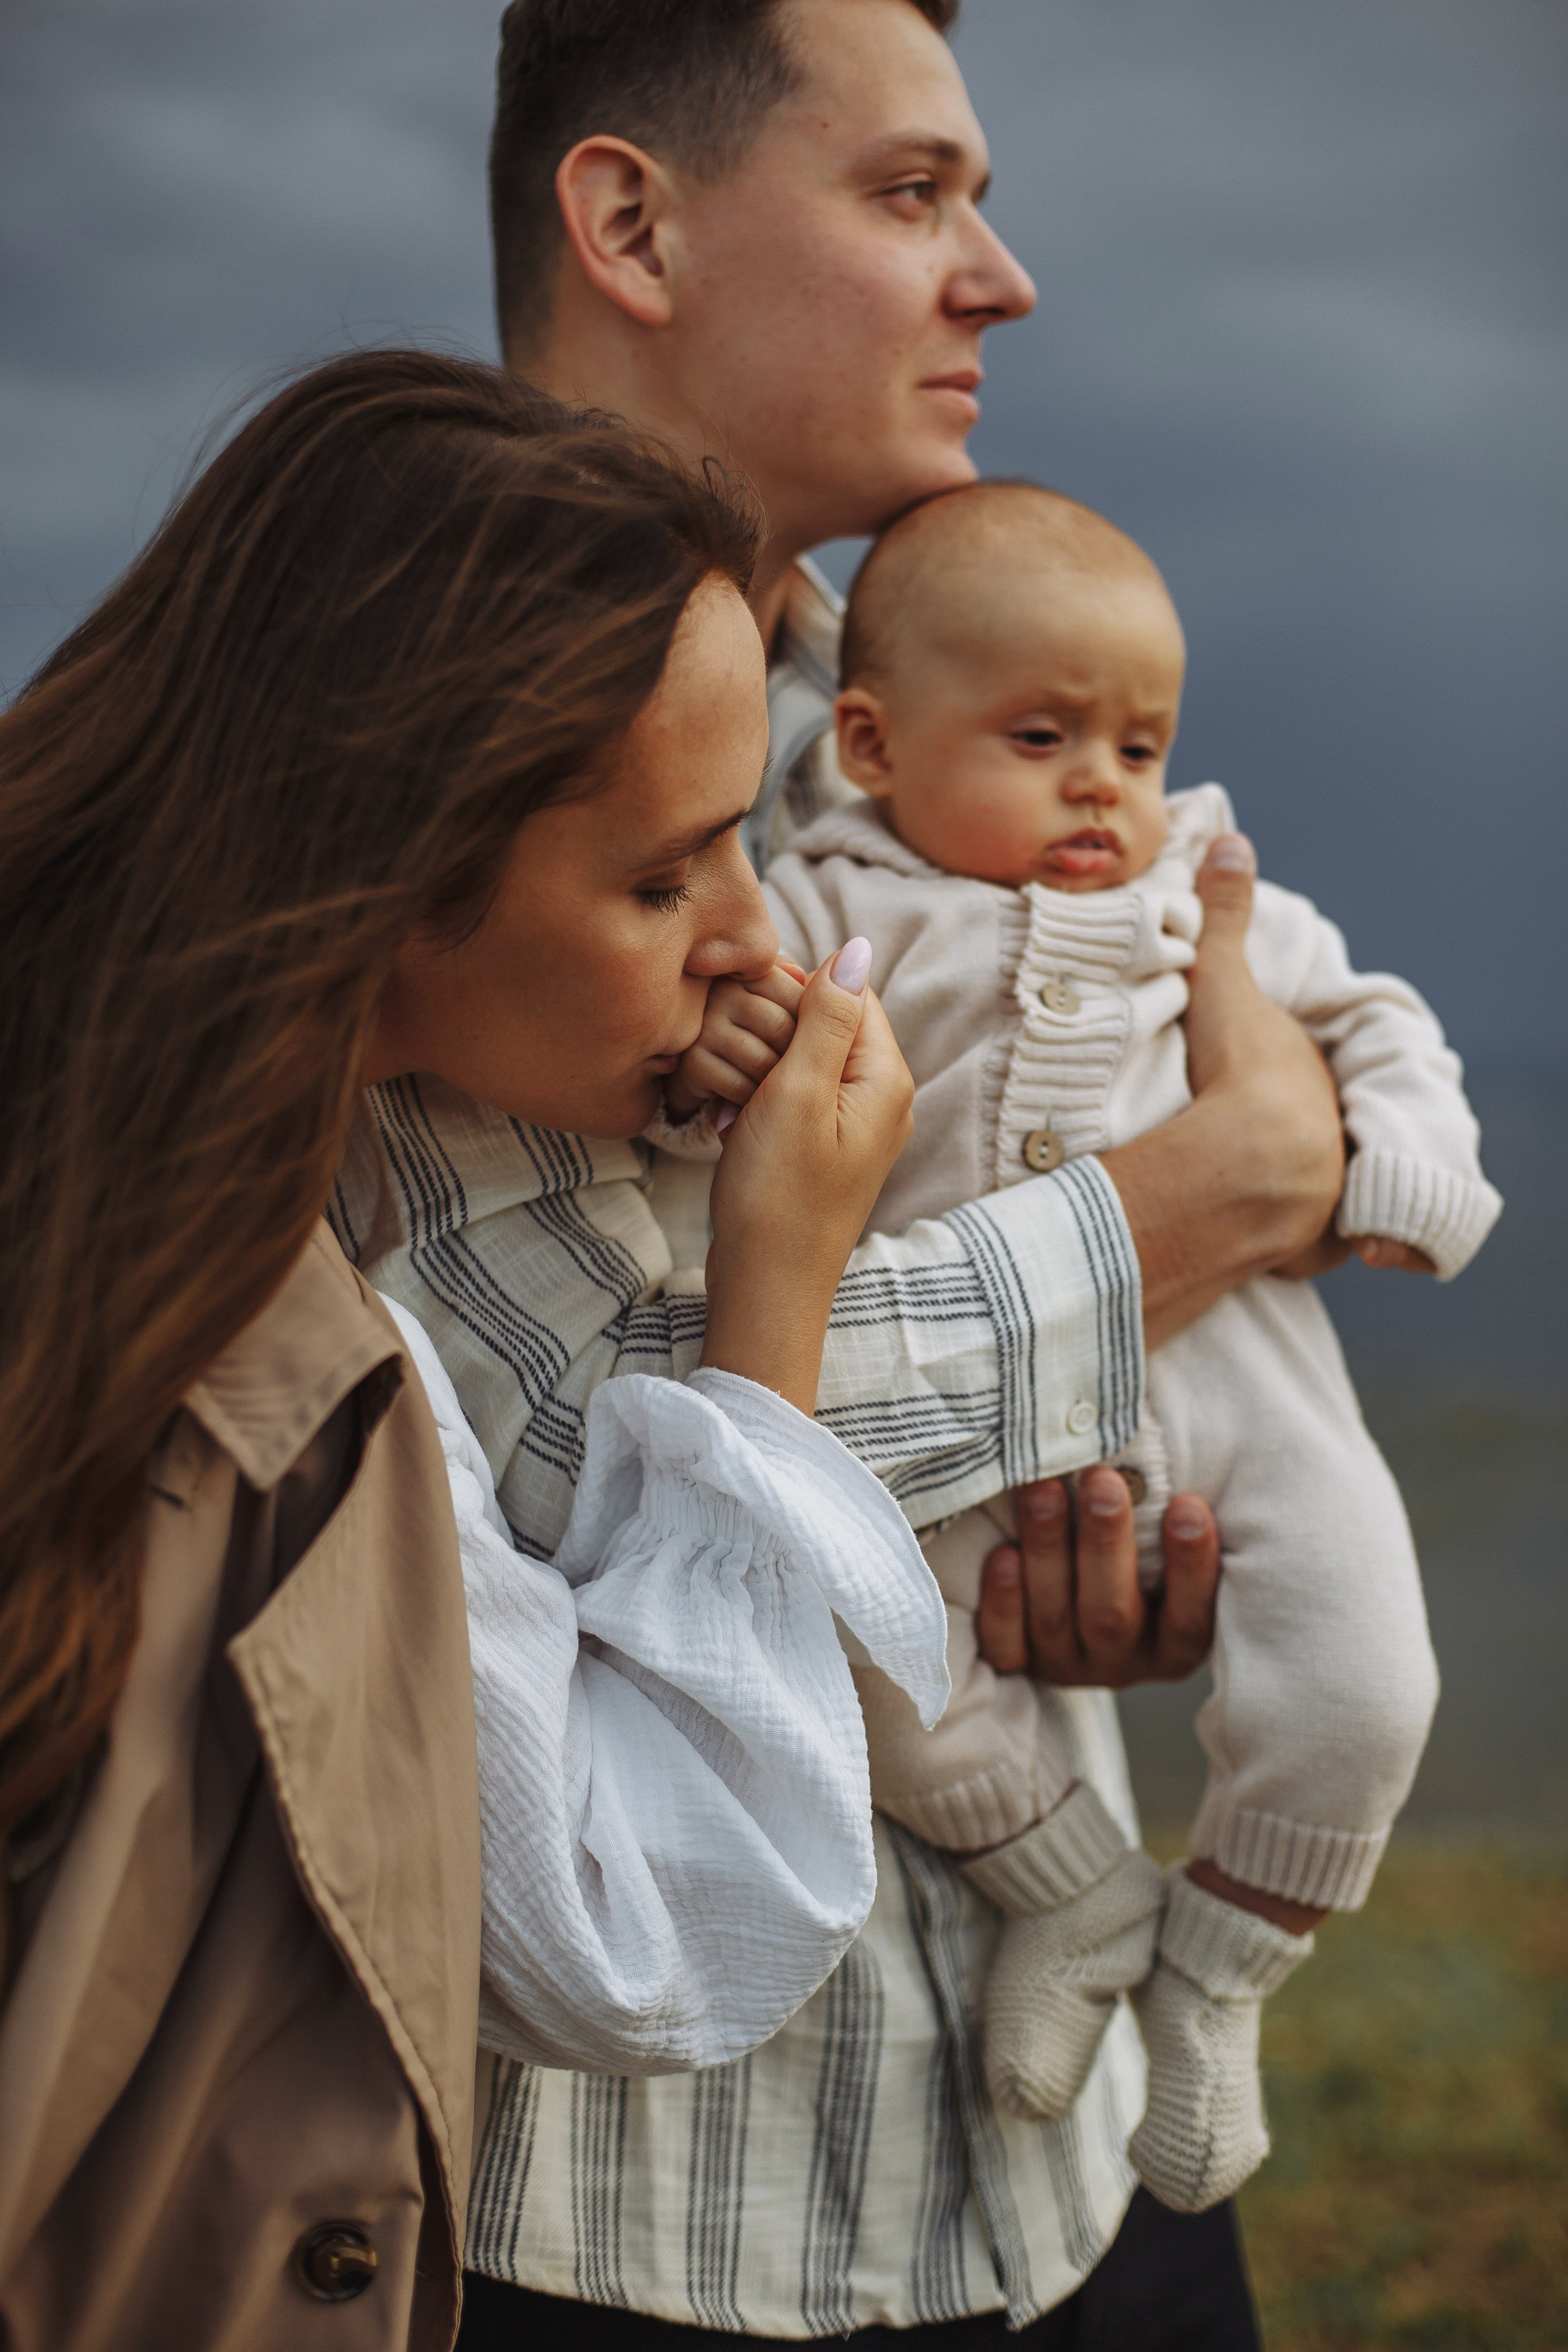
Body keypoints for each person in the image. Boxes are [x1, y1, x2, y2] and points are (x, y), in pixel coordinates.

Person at [393, 1, 1353, 2343]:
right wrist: (1186, 1212)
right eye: (913, 194)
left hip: (1055, 2145)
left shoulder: (977, 694)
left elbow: (833, 1400)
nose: (1002, 277)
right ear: (629, 220)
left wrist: (1114, 1535)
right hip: (624, 2218)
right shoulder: (404, 696)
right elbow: (550, 1455)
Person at [0, 349, 962, 2352]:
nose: (758, 941)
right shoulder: (272, 1363)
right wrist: (771, 1295)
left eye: (740, 841)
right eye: (657, 873)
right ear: (386, 868)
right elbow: (644, 1921)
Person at [669, 480, 1502, 2212]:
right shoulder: (830, 903)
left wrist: (1402, 1170)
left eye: (1140, 744)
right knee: (873, 1670)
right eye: (1044, 737)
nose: (1103, 787)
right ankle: (1078, 1897)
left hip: (1244, 1394)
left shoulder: (1209, 887)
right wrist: (727, 1042)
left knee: (1367, 1681)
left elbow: (1369, 1023)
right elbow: (727, 1048)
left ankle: (1216, 1982)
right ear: (880, 747)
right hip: (950, 1435)